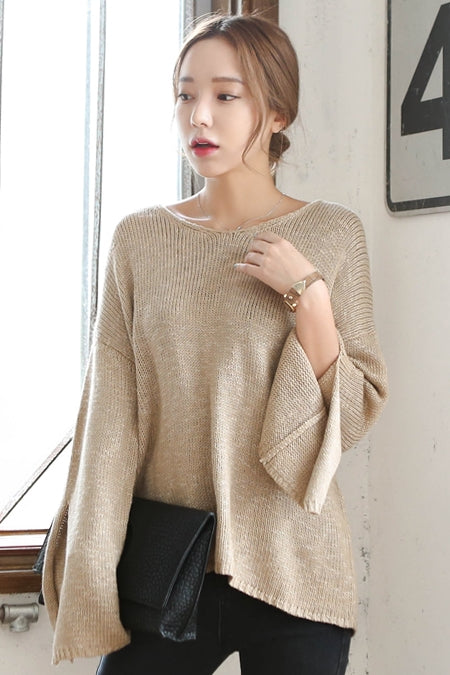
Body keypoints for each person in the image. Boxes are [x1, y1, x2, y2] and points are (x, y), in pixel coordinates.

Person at [42, 12, 388, 675]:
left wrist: (309, 296)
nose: (199, 116)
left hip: (297, 569)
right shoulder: (140, 241)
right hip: (168, 566)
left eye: (226, 95)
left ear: (278, 112)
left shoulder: (333, 234)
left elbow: (354, 409)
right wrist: (92, 565)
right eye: (185, 94)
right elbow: (110, 419)